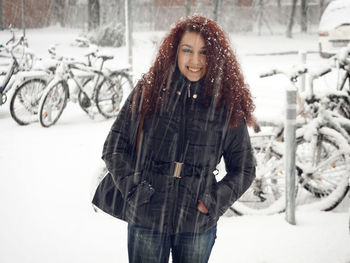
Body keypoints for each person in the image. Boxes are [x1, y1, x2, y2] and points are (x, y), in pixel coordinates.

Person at [92, 15, 256, 263]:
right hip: (148, 216)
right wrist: (135, 190)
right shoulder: (149, 90)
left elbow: (244, 168)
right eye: (187, 50)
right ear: (174, 52)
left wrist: (212, 202)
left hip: (196, 222)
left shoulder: (225, 103)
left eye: (204, 52)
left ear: (215, 57)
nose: (195, 61)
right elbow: (114, 147)